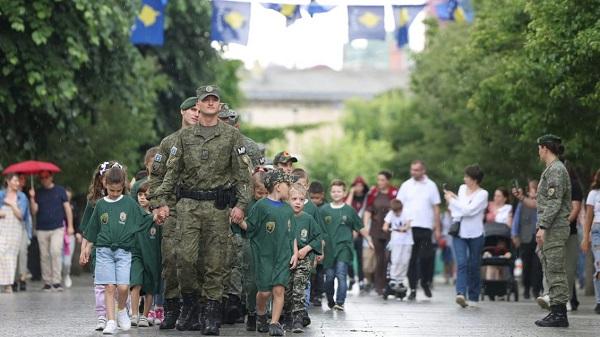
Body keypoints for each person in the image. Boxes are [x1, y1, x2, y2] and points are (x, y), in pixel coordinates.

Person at [151, 85, 251, 336]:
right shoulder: (183, 138)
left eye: (214, 100)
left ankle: (210, 314)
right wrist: (161, 201)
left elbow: (243, 175)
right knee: (185, 259)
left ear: (219, 105)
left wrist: (240, 205)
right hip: (187, 207)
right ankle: (190, 304)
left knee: (216, 263)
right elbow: (170, 173)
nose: (209, 103)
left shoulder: (231, 136)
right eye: (205, 100)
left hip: (218, 207)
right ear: (198, 104)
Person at [82, 166, 154, 335]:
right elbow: (92, 229)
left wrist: (156, 216)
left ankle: (121, 309)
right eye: (111, 190)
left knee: (123, 287)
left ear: (124, 186)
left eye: (118, 190)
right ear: (105, 184)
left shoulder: (129, 203)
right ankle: (111, 321)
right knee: (109, 287)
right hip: (104, 251)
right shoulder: (100, 205)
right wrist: (86, 248)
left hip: (124, 252)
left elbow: (144, 218)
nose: (115, 193)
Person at [147, 96, 198, 330]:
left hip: (199, 207)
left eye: (199, 110)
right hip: (173, 206)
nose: (196, 114)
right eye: (192, 110)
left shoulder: (207, 140)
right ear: (182, 112)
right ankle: (171, 308)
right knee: (170, 258)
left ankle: (193, 309)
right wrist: (158, 203)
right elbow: (155, 176)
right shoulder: (169, 143)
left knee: (196, 260)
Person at [238, 169, 298, 337]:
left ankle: (274, 322)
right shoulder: (261, 206)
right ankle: (261, 314)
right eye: (288, 185)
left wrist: (294, 253)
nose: (290, 189)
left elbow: (291, 233)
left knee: (279, 290)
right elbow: (250, 227)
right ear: (278, 186)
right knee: (264, 292)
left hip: (283, 255)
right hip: (264, 256)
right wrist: (238, 220)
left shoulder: (288, 209)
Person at [533, 134, 571, 327]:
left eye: (539, 148)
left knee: (555, 270)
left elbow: (554, 202)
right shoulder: (551, 169)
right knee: (550, 268)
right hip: (551, 227)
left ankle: (560, 314)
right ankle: (555, 310)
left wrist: (544, 226)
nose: (538, 152)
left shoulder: (556, 170)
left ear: (545, 148)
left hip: (554, 228)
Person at [320, 179, 373, 311]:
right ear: (330, 193)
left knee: (341, 274)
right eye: (334, 191)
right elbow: (318, 231)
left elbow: (360, 227)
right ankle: (330, 299)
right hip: (329, 249)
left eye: (339, 191)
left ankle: (340, 301)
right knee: (329, 277)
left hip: (344, 248)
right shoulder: (323, 210)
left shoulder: (349, 210)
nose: (336, 193)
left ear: (344, 193)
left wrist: (369, 239)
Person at [79, 161, 118, 331]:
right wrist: (83, 249)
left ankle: (118, 313)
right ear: (101, 180)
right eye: (105, 178)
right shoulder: (94, 202)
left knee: (119, 285)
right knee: (100, 285)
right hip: (98, 249)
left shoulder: (124, 200)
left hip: (120, 249)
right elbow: (87, 229)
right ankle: (102, 316)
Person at [444, 164, 488, 308]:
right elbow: (457, 211)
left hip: (476, 233)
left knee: (474, 264)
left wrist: (452, 200)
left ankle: (474, 296)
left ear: (474, 180)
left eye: (467, 177)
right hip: (460, 232)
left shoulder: (483, 194)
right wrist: (455, 201)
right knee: (462, 263)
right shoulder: (462, 189)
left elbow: (468, 210)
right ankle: (461, 293)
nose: (464, 179)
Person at [396, 160, 441, 300]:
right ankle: (413, 289)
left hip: (426, 227)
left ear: (423, 171)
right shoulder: (406, 185)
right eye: (412, 170)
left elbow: (436, 208)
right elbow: (398, 205)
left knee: (426, 257)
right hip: (409, 228)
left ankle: (426, 281)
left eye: (416, 170)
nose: (413, 172)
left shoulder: (431, 185)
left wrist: (438, 228)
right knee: (411, 259)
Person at [283, 183, 322, 333]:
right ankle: (287, 317)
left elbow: (318, 237)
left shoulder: (308, 219)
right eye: (294, 199)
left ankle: (298, 318)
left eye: (301, 199)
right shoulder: (283, 217)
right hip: (285, 259)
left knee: (299, 288)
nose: (298, 202)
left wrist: (307, 248)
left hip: (303, 259)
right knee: (287, 289)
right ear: (287, 200)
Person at [29, 171, 74, 291]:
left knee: (55, 252)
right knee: (44, 255)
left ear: (51, 177)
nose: (44, 179)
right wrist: (32, 198)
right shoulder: (37, 192)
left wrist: (70, 226)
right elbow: (34, 211)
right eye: (41, 177)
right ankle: (47, 282)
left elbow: (67, 208)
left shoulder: (60, 190)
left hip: (57, 227)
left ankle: (56, 281)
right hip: (41, 228)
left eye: (46, 177)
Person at [130, 182, 162, 328]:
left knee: (150, 286)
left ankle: (145, 315)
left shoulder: (159, 217)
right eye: (140, 195)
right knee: (135, 283)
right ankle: (135, 314)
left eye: (146, 195)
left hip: (152, 256)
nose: (142, 198)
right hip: (136, 254)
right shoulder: (133, 213)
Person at [363, 171, 397, 295]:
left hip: (391, 230)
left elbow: (399, 209)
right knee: (379, 257)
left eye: (382, 180)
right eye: (378, 180)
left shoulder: (394, 192)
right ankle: (378, 285)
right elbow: (368, 210)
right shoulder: (374, 193)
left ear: (388, 180)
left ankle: (388, 283)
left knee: (388, 257)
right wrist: (366, 226)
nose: (380, 182)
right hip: (376, 229)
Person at [244, 170, 268, 331]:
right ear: (252, 190)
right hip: (251, 245)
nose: (264, 196)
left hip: (268, 247)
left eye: (267, 193)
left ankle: (264, 315)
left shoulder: (272, 203)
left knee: (267, 282)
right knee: (252, 282)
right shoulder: (247, 204)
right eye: (260, 193)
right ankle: (251, 312)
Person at [512, 179, 543, 300]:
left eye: (534, 189)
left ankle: (536, 289)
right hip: (525, 238)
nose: (533, 191)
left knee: (538, 266)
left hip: (538, 238)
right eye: (531, 189)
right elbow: (516, 220)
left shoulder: (541, 203)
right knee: (526, 265)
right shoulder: (522, 204)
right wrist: (515, 234)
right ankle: (526, 288)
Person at [0, 174, 29, 293]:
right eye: (15, 180)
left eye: (18, 181)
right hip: (2, 228)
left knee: (11, 256)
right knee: (1, 253)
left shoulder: (22, 196)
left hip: (15, 229)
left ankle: (8, 284)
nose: (18, 183)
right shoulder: (1, 194)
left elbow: (21, 215)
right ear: (8, 181)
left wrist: (11, 204)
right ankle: (4, 281)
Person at [382, 198, 413, 297]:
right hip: (396, 241)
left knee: (404, 261)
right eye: (395, 211)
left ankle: (400, 279)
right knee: (395, 260)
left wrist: (404, 228)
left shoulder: (406, 212)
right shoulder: (391, 213)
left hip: (407, 241)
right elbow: (385, 225)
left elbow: (408, 225)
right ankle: (394, 278)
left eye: (398, 211)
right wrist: (386, 228)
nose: (397, 213)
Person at [581, 168, 600, 314]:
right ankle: (599, 301)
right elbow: (588, 217)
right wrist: (585, 237)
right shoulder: (593, 194)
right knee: (599, 265)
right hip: (597, 232)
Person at [345, 176, 369, 291]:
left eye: (361, 186)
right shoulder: (350, 197)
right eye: (356, 185)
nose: (359, 188)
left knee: (360, 258)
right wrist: (351, 193)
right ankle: (351, 278)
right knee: (348, 257)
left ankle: (361, 280)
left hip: (361, 232)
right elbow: (346, 208)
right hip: (349, 232)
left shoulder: (366, 198)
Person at [14, 174, 32, 291]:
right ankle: (13, 279)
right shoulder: (4, 195)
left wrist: (29, 233)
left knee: (22, 252)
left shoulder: (25, 196)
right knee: (13, 253)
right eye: (19, 179)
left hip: (22, 227)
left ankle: (22, 277)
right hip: (9, 227)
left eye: (23, 180)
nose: (21, 182)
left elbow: (26, 216)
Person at [62, 187, 80, 289]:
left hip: (70, 235)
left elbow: (77, 220)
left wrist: (78, 232)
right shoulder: (58, 206)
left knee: (67, 261)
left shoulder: (74, 206)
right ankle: (56, 277)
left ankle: (66, 275)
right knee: (58, 258)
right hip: (59, 233)